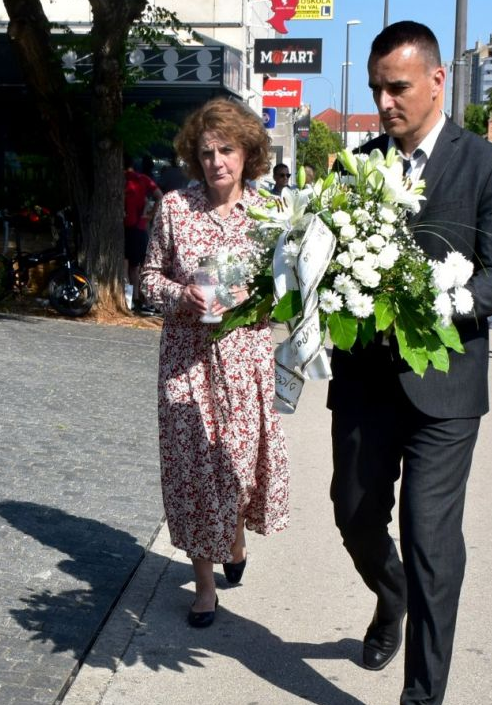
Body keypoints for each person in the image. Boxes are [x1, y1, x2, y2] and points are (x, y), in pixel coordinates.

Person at [330, 22, 492, 705]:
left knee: (430, 543)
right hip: (364, 385)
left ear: (437, 81)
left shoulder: (488, 168)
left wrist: (447, 299)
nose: (384, 101)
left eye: (398, 87)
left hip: (445, 388)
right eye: (377, 88)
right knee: (354, 516)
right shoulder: (355, 166)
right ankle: (391, 598)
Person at [140, 98, 291, 630]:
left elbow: (289, 293)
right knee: (193, 472)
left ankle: (234, 534)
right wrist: (183, 296)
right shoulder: (175, 208)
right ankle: (204, 586)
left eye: (227, 150)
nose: (216, 162)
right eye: (206, 152)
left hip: (246, 358)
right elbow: (147, 278)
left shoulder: (270, 215)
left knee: (238, 467)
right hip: (186, 362)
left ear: (248, 152)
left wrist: (258, 297)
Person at [124, 155, 163, 313]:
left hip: (125, 226)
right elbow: (160, 196)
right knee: (135, 266)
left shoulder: (121, 181)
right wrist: (150, 215)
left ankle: (130, 301)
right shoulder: (143, 179)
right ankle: (137, 300)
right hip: (140, 226)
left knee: (124, 265)